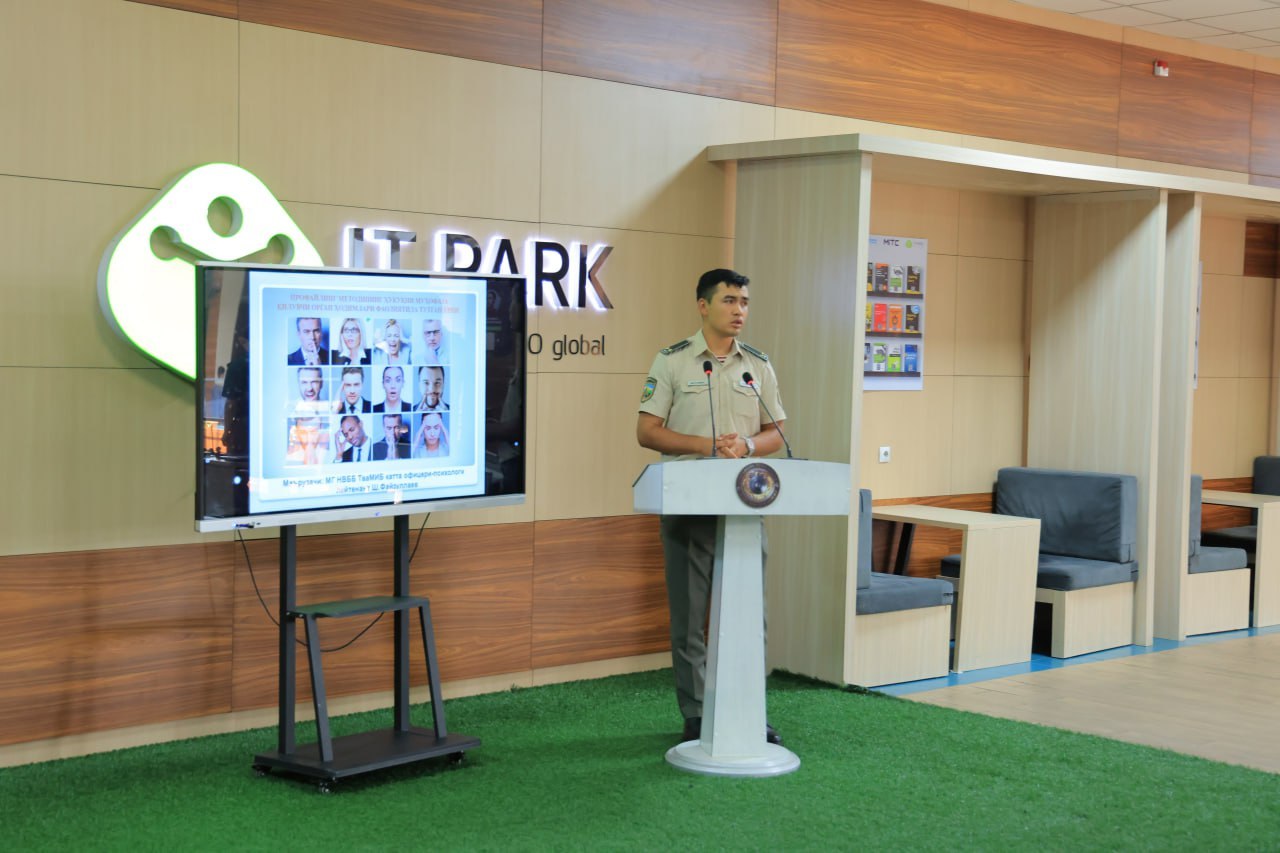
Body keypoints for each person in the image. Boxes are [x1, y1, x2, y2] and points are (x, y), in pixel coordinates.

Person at [635, 268, 787, 746]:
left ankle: (746, 708)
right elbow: (647, 430)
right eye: (729, 301)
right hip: (688, 502)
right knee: (691, 616)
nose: (739, 310)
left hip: (743, 505)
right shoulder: (674, 361)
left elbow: (776, 433)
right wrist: (706, 446)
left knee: (747, 616)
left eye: (744, 301)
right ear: (703, 305)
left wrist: (744, 444)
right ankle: (698, 713)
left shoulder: (757, 365)